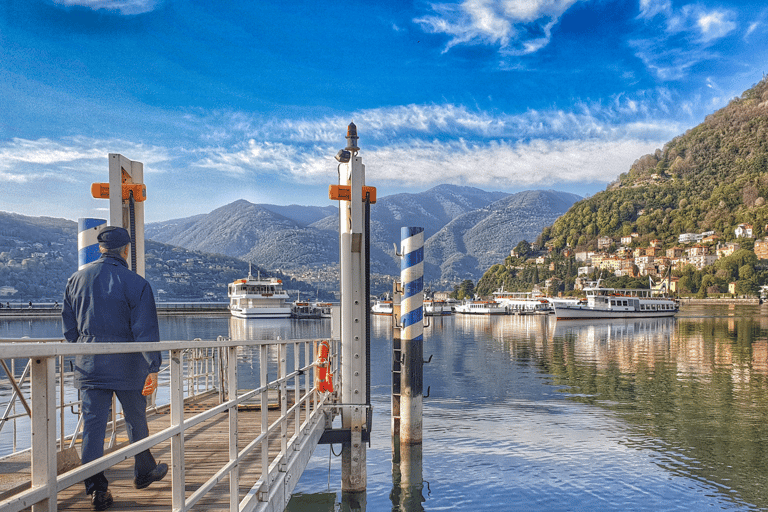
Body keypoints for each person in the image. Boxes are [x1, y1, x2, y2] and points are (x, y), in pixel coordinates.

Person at [62, 226, 167, 511]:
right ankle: (143, 472)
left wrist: (86, 349)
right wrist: (153, 366)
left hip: (88, 366)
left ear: (100, 249)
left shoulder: (75, 279)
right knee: (135, 420)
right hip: (127, 366)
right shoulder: (137, 283)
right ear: (126, 250)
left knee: (93, 428)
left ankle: (97, 490)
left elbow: (69, 330)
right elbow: (145, 330)